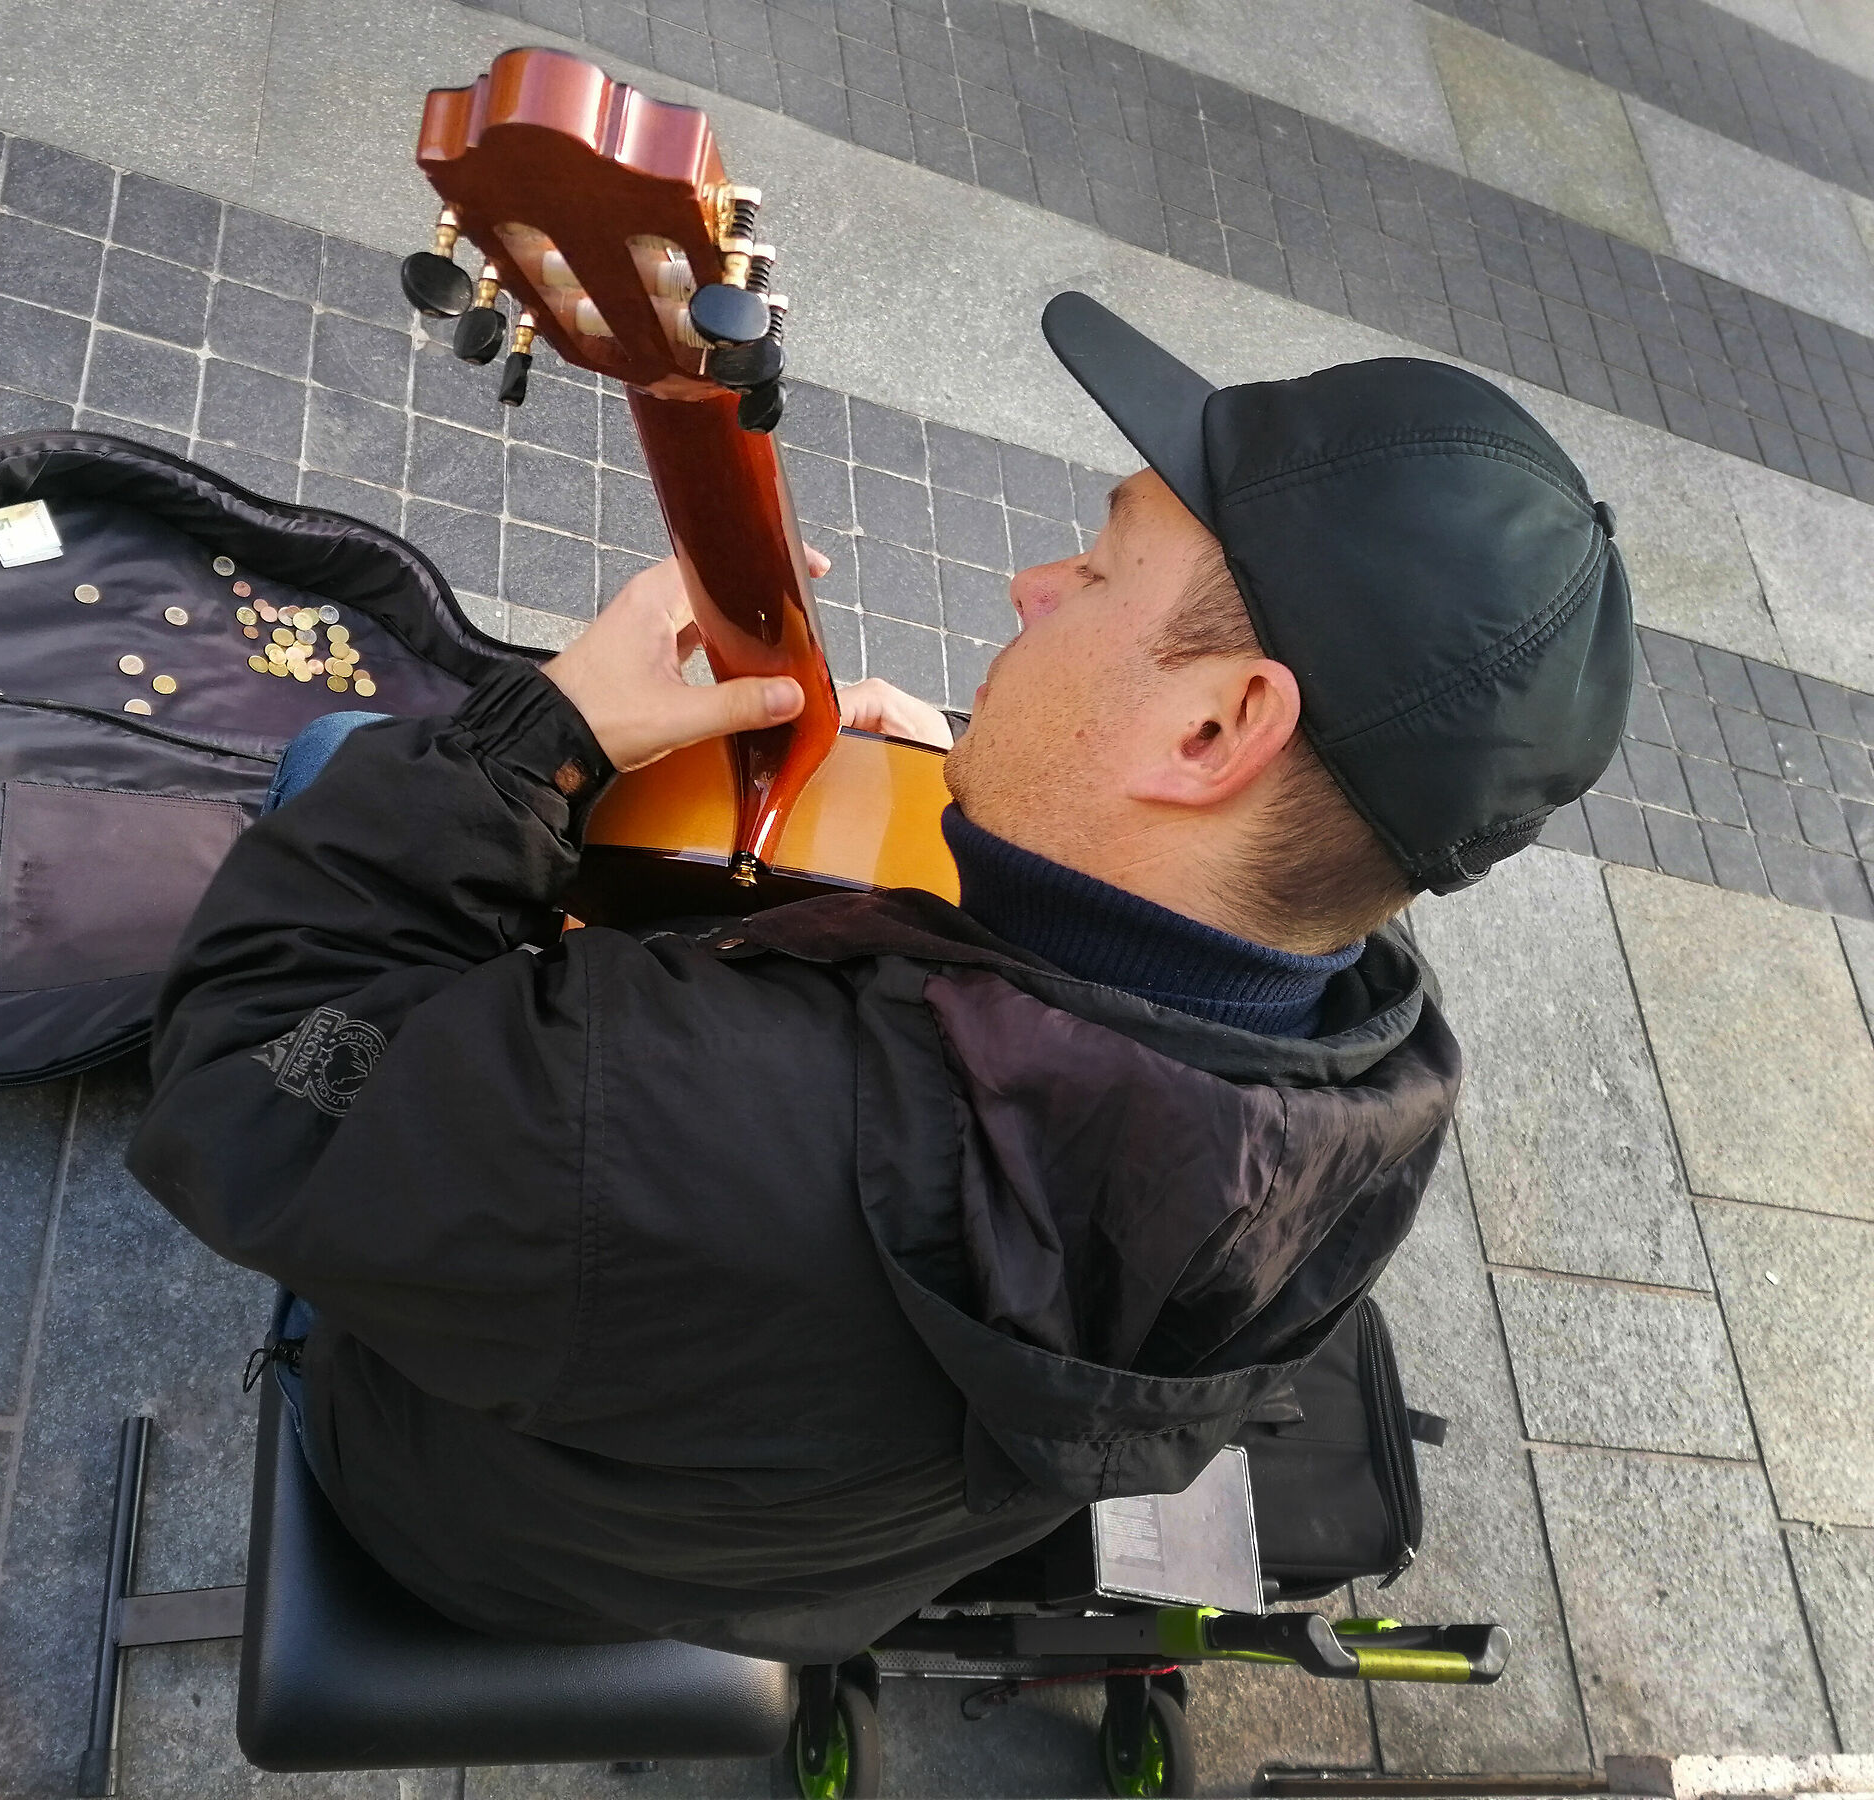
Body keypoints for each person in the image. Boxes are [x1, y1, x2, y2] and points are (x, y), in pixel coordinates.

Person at [126, 292, 1631, 1662]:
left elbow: (249, 1077)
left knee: (343, 772)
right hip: (784, 1577)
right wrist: (985, 825)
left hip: (468, 1521)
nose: (1036, 585)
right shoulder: (1369, 1101)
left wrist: (546, 734)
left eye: (1103, 568)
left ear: (1212, 734)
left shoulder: (669, 1118)